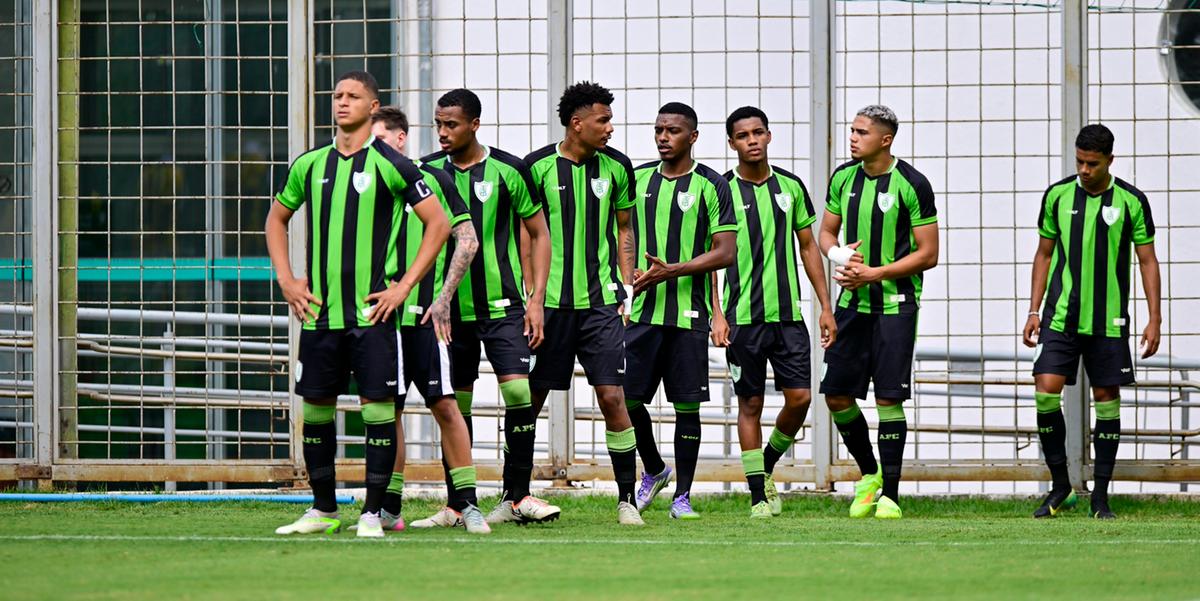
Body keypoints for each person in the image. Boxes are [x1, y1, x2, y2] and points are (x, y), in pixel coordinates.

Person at [266, 71, 449, 537]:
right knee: (317, 410)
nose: (342, 102)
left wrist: (404, 286)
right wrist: (287, 281)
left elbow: (438, 224)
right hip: (320, 316)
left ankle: (371, 513)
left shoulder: (391, 164)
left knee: (377, 411)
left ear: (373, 108)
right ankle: (323, 510)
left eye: (353, 97)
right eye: (337, 96)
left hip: (372, 316)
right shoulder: (310, 164)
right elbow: (276, 218)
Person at [417, 88, 558, 526]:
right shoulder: (425, 172)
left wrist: (535, 299)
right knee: (454, 404)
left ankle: (517, 496)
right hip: (447, 311)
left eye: (452, 124)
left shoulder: (509, 170)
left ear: (474, 124)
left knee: (518, 392)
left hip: (504, 307)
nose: (443, 132)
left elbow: (540, 234)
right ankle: (459, 503)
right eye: (438, 123)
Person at [1022, 123, 1160, 520]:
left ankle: (1100, 497)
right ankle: (1061, 486)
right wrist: (1033, 311)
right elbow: (1044, 255)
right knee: (1045, 390)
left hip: (1108, 322)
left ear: (1109, 161)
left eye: (1092, 164)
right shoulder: (1058, 195)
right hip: (1061, 317)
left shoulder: (1132, 201)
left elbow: (1147, 260)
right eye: (1080, 161)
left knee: (1106, 400)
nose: (1084, 169)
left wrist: (1155, 318)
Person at [524, 81, 643, 525]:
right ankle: (512, 495)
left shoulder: (618, 167)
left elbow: (625, 227)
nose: (610, 128)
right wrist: (531, 295)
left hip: (601, 305)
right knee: (530, 399)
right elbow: (526, 234)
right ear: (577, 123)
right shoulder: (536, 168)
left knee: (613, 397)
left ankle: (627, 500)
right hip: (549, 305)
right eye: (603, 120)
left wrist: (626, 284)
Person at [710, 106, 837, 518]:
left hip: (787, 317)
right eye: (743, 135)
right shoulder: (721, 190)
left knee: (800, 398)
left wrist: (825, 306)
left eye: (758, 133)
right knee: (750, 403)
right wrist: (717, 311)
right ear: (731, 143)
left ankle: (763, 466)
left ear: (769, 136)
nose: (752, 140)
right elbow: (711, 256)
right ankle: (758, 497)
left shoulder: (791, 187)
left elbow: (808, 247)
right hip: (742, 318)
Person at [368, 105, 489, 534]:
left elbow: (468, 240)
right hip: (377, 322)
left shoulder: (432, 179)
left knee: (445, 405)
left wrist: (442, 299)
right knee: (388, 411)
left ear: (400, 139)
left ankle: (468, 504)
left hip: (421, 319)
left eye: (380, 140)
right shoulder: (363, 185)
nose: (372, 150)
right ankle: (389, 509)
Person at [818, 105, 939, 520]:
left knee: (888, 398)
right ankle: (870, 474)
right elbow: (826, 233)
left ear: (885, 140)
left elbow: (929, 253)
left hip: (895, 306)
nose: (852, 138)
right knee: (836, 394)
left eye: (861, 132)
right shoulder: (842, 177)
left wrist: (875, 274)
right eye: (852, 130)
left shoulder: (912, 184)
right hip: (851, 305)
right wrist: (839, 257)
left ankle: (890, 494)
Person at [623, 102, 737, 520]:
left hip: (688, 316)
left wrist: (672, 272)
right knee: (626, 399)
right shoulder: (635, 180)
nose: (662, 138)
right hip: (641, 315)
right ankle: (653, 469)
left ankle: (683, 496)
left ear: (692, 137)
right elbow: (621, 234)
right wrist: (625, 279)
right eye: (658, 130)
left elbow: (725, 252)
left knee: (686, 407)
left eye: (672, 131)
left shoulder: (711, 185)